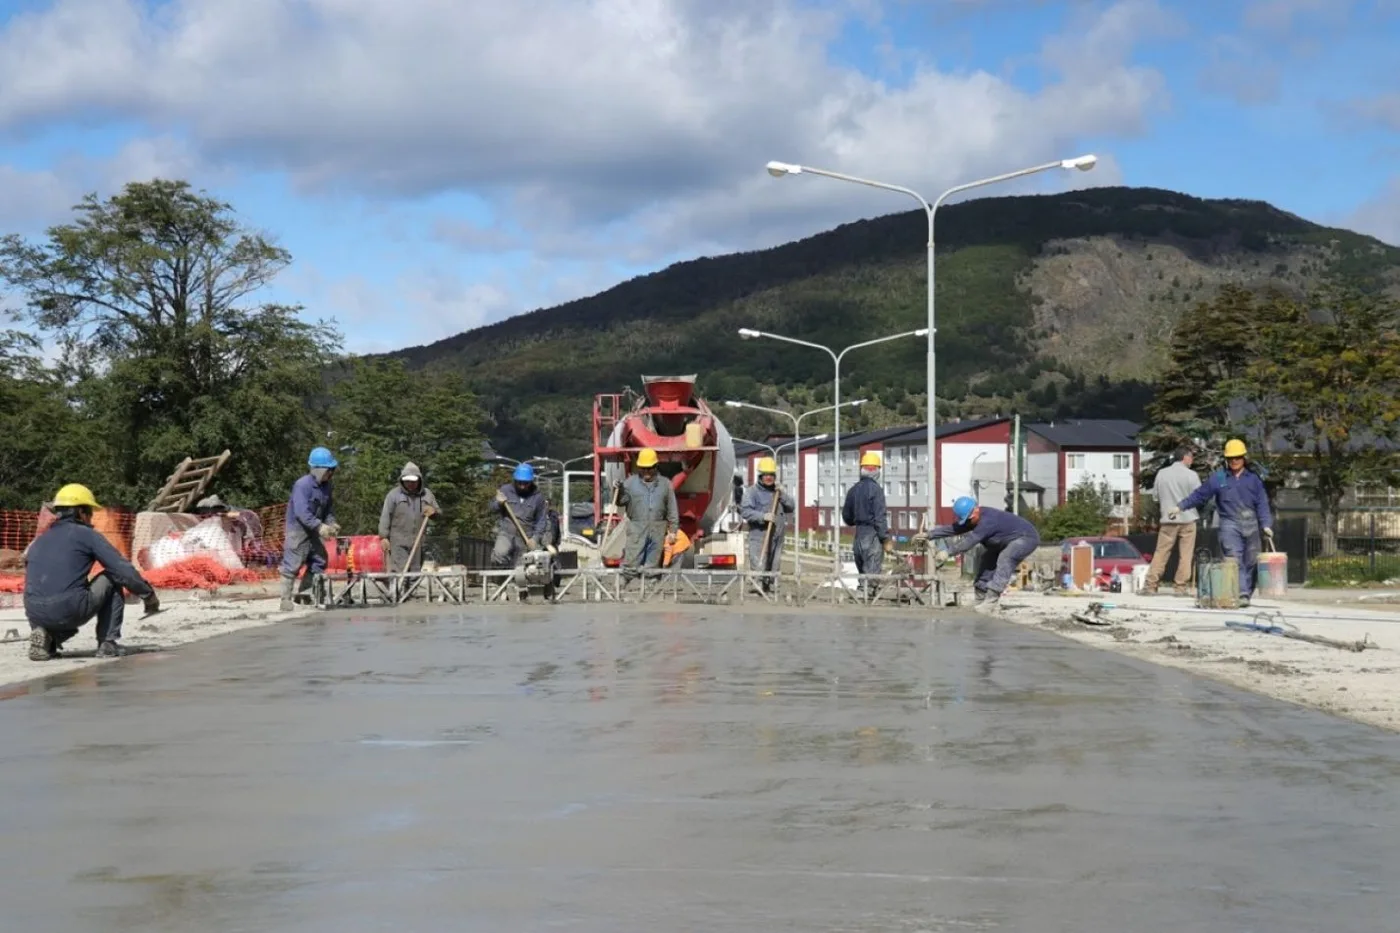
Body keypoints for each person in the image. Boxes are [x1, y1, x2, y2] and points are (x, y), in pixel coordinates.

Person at [23, 483, 159, 661]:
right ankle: (108, 643)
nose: (91, 519)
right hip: (69, 607)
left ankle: (49, 638)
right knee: (113, 577)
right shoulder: (85, 534)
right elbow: (120, 568)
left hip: (34, 612)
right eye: (90, 513)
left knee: (61, 601)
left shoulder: (40, 541)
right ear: (80, 512)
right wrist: (147, 595)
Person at [1171, 438, 1272, 606]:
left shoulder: (1254, 480)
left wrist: (1266, 524)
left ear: (1243, 458)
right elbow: (1200, 495)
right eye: (1231, 458)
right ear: (1226, 459)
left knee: (1251, 560)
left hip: (1251, 524)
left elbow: (1262, 503)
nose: (1234, 461)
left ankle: (1245, 591)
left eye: (1237, 457)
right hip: (1229, 523)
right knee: (1233, 558)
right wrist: (1180, 507)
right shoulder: (1218, 479)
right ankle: (1242, 594)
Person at [919, 496, 1041, 615]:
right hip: (1003, 542)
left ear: (976, 509)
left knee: (1006, 557)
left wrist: (948, 552)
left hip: (1026, 538)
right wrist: (929, 535)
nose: (968, 522)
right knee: (987, 559)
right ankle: (980, 600)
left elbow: (969, 541)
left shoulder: (988, 520)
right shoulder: (972, 518)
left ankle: (991, 602)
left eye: (969, 519)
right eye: (966, 520)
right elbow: (955, 528)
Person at [280, 446, 340, 611]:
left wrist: (331, 523)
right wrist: (320, 527)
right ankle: (285, 599)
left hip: (313, 531)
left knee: (319, 561)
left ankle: (304, 595)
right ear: (319, 470)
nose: (331, 473)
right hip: (298, 531)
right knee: (292, 565)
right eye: (329, 470)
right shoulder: (302, 485)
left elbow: (328, 509)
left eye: (332, 470)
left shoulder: (326, 487)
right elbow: (302, 512)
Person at [1144, 448, 1201, 595]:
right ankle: (1180, 587)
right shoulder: (1192, 475)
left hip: (1168, 519)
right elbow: (1199, 497)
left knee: (1161, 552)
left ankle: (1151, 585)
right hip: (1188, 519)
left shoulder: (1162, 474)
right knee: (1186, 555)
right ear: (1185, 458)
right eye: (1191, 457)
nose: (1192, 460)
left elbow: (1155, 497)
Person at [616, 448, 678, 582]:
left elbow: (672, 509)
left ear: (656, 467)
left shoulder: (665, 485)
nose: (646, 472)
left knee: (653, 566)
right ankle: (621, 589)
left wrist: (673, 530)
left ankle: (651, 594)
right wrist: (619, 490)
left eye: (649, 468)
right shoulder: (630, 483)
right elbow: (620, 502)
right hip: (637, 528)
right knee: (631, 563)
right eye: (643, 468)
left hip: (658, 529)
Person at [740, 457, 794, 588]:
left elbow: (791, 506)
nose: (769, 478)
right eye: (766, 475)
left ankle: (772, 591)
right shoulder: (752, 492)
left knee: (774, 567)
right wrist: (763, 516)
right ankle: (759, 592)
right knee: (759, 567)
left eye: (771, 475)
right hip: (760, 537)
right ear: (760, 476)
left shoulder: (777, 492)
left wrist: (782, 495)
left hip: (777, 537)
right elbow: (745, 511)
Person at [378, 461, 440, 573]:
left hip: (418, 541)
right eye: (407, 481)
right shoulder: (393, 495)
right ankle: (399, 591)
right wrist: (383, 537)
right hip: (398, 542)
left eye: (413, 481)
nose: (410, 484)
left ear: (419, 480)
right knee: (400, 573)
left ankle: (411, 590)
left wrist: (434, 511)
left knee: (415, 574)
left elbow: (438, 513)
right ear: (402, 480)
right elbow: (385, 516)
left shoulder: (427, 494)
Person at [841, 450, 891, 579]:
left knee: (862, 574)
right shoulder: (876, 490)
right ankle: (868, 596)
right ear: (876, 471)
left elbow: (847, 517)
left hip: (858, 536)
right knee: (872, 575)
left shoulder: (853, 490)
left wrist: (856, 520)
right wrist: (885, 538)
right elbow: (880, 518)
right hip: (872, 535)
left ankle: (862, 594)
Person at [490, 463, 550, 569]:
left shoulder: (538, 497)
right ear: (515, 480)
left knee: (521, 568)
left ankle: (515, 581)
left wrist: (535, 539)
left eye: (525, 483)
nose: (522, 485)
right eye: (520, 482)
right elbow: (492, 508)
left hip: (525, 537)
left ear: (531, 481)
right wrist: (498, 503)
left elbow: (541, 521)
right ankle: (502, 581)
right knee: (499, 554)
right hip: (506, 533)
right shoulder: (506, 490)